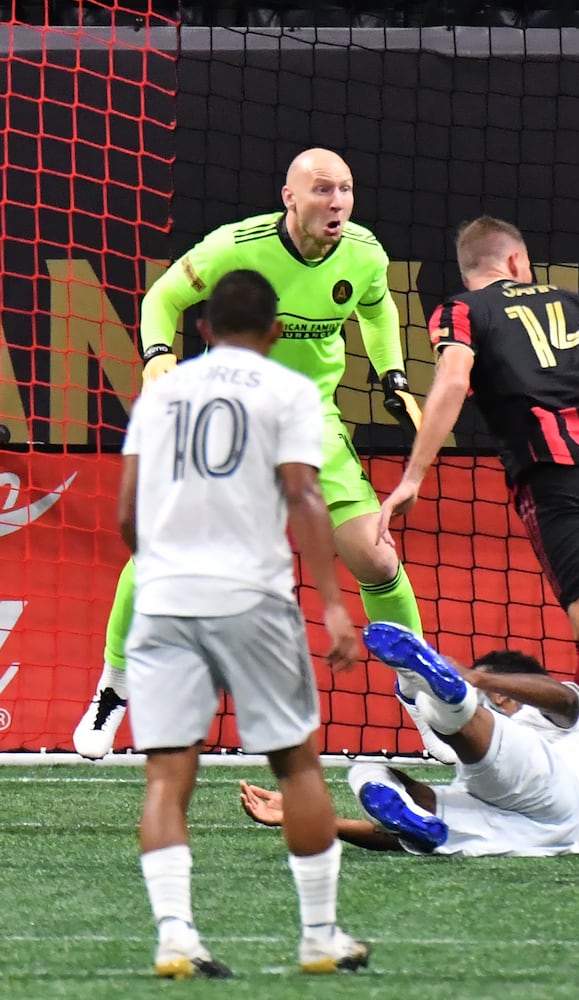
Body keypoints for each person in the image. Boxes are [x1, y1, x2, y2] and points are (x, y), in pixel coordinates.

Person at [74, 147, 454, 764]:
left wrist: (392, 374)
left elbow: (377, 307)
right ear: (291, 198)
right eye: (323, 190)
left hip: (311, 423)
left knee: (377, 558)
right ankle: (114, 685)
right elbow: (162, 299)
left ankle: (420, 691)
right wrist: (154, 355)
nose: (337, 203)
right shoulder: (235, 246)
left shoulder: (363, 253)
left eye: (346, 191)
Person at [378, 216, 579, 761]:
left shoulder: (461, 309)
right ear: (516, 262)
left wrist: (413, 477)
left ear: (474, 267)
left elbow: (454, 381)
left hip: (557, 477)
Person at [119, 270, 369, 978]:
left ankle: (175, 937)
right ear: (278, 331)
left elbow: (124, 515)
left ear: (201, 330)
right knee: (297, 765)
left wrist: (164, 570)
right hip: (252, 597)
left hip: (164, 597)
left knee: (167, 777)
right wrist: (330, 602)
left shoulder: (159, 392)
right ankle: (319, 936)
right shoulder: (289, 391)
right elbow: (304, 494)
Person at [239, 622, 579, 858]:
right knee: (367, 772)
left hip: (555, 800)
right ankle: (437, 693)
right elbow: (401, 836)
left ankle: (443, 693)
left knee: (447, 709)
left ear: (505, 696)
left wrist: (478, 679)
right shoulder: (491, 774)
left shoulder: (554, 722)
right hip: (530, 835)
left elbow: (567, 700)